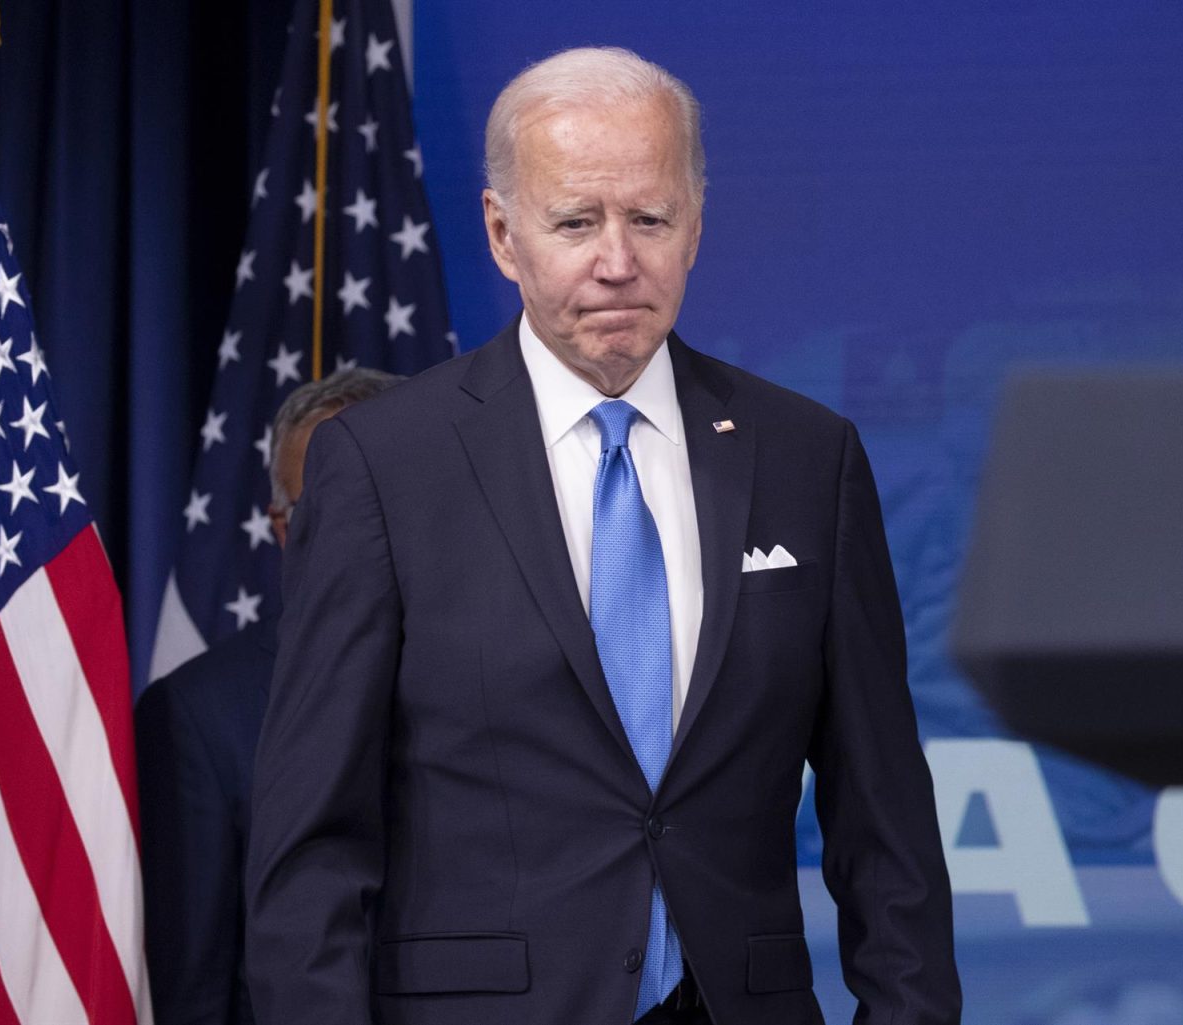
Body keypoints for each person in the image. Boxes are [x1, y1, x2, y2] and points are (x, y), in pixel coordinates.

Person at [246, 47, 961, 1025]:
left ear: (696, 226)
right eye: (576, 221)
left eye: (650, 219)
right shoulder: (384, 463)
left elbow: (885, 821)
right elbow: (311, 845)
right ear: (504, 233)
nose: (617, 261)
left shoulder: (807, 456)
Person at [135, 367, 402, 1025]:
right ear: (282, 529)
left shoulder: (514, 668)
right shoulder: (200, 713)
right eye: (330, 506)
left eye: (386, 499)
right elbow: (194, 988)